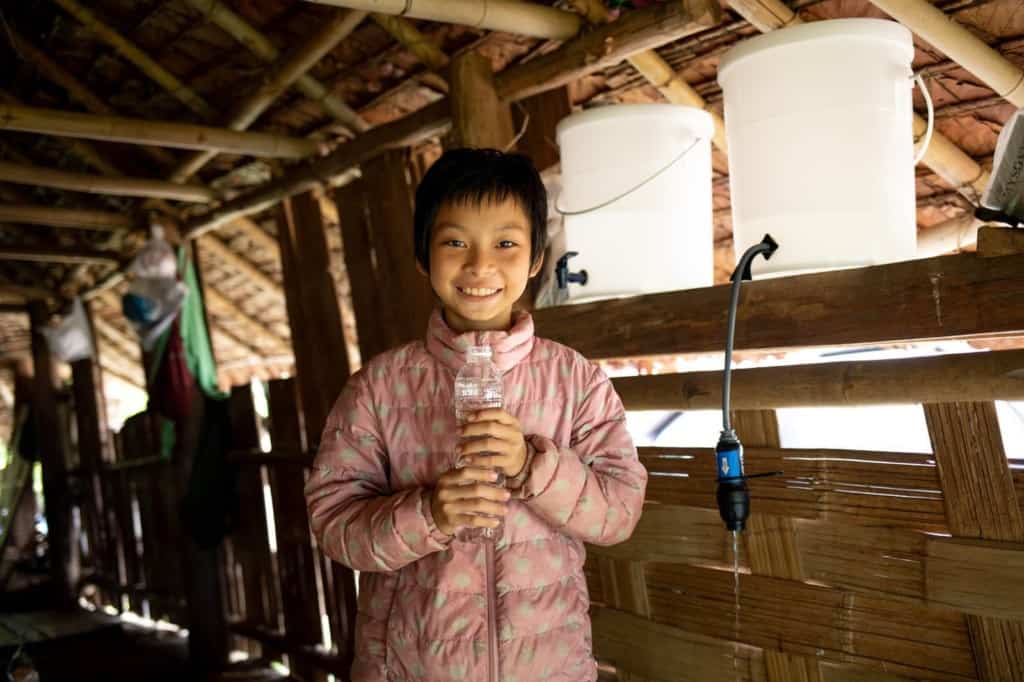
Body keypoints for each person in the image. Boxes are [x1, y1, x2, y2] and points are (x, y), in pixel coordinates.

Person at [305, 148, 647, 681]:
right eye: (455, 242)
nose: (480, 265)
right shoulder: (379, 387)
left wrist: (532, 467)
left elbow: (620, 512)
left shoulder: (575, 379)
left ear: (536, 258)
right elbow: (332, 523)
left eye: (505, 243)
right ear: (423, 256)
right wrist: (429, 515)